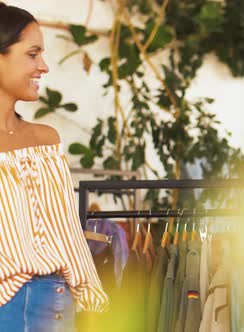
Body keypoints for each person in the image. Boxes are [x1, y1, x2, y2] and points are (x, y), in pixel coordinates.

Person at [0, 3, 109, 331]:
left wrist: (91, 300)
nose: (43, 66)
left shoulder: (46, 140)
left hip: (60, 306)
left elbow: (69, 234)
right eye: (32, 54)